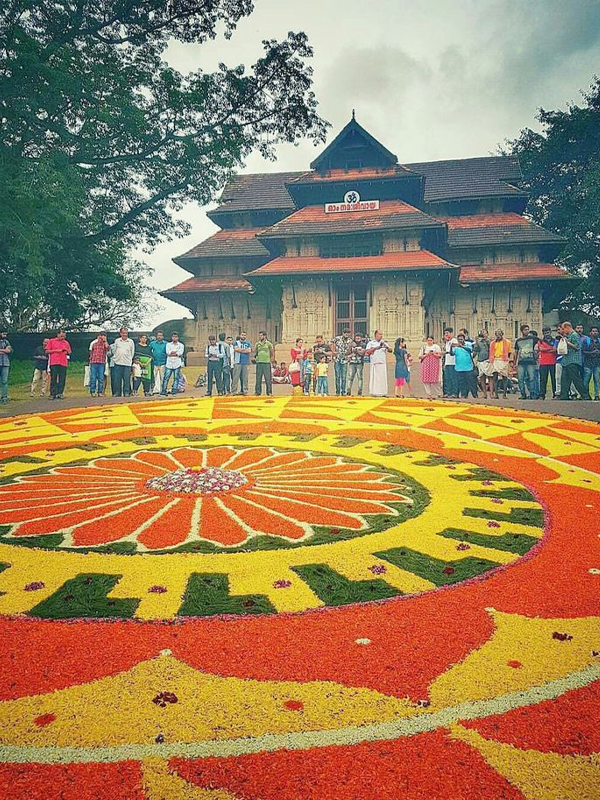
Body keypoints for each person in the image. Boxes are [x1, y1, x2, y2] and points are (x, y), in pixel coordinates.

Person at [558, 321, 590, 400]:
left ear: (567, 327)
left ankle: (585, 395)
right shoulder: (568, 336)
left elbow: (577, 347)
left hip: (573, 361)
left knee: (576, 379)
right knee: (564, 380)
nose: (563, 331)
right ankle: (564, 396)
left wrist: (567, 343)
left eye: (563, 329)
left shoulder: (574, 335)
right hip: (566, 361)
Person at [514, 324, 538, 400]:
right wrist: (515, 363)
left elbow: (541, 343)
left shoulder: (533, 338)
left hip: (531, 361)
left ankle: (532, 394)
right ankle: (523, 394)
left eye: (528, 329)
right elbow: (516, 352)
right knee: (520, 379)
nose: (527, 331)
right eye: (525, 330)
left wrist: (537, 354)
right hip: (521, 362)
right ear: (522, 331)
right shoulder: (518, 341)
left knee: (532, 378)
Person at [46, 329, 71, 400]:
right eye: (61, 336)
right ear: (58, 335)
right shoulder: (51, 341)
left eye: (64, 336)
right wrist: (56, 351)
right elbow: (47, 351)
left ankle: (60, 393)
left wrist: (66, 351)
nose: (63, 337)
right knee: (53, 378)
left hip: (63, 362)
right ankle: (52, 393)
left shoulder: (66, 342)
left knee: (62, 378)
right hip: (54, 362)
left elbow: (69, 351)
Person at [365, 330, 391, 397]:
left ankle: (383, 393)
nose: (381, 336)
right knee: (375, 379)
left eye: (382, 334)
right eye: (379, 334)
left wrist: (386, 347)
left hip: (382, 363)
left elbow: (390, 350)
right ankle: (374, 393)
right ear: (375, 335)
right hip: (374, 363)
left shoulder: (384, 343)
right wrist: (376, 348)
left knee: (382, 379)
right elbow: (367, 352)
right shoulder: (371, 343)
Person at [452, 333, 478, 398]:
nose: (460, 340)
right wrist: (451, 347)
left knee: (471, 382)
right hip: (459, 367)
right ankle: (464, 395)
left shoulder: (468, 344)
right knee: (462, 383)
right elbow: (452, 353)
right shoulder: (456, 347)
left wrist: (462, 346)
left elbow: (470, 350)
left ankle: (475, 395)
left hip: (468, 367)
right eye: (459, 339)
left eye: (461, 339)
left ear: (464, 339)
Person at [112, 327, 135, 397]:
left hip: (127, 363)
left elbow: (132, 352)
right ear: (120, 333)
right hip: (118, 362)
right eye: (123, 333)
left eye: (126, 333)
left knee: (126, 379)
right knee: (117, 379)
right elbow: (114, 351)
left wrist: (129, 359)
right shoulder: (117, 341)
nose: (125, 334)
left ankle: (126, 392)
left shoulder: (131, 341)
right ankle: (117, 392)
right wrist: (116, 358)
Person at [162, 331, 185, 396]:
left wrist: (173, 353)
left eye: (176, 337)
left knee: (176, 378)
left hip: (177, 363)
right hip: (169, 363)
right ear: (171, 337)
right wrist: (175, 353)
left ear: (178, 338)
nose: (174, 338)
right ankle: (164, 390)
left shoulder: (181, 345)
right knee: (166, 377)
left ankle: (174, 391)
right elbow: (168, 352)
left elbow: (180, 353)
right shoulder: (168, 344)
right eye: (173, 337)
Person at [490, 330, 512, 398]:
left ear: (502, 334)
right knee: (495, 377)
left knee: (505, 377)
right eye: (497, 334)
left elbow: (509, 352)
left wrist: (507, 360)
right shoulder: (492, 343)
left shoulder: (507, 342)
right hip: (495, 360)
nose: (498, 335)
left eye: (499, 334)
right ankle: (496, 394)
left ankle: (504, 395)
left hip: (503, 360)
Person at [538, 327, 558, 400]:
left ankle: (555, 394)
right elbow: (541, 349)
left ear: (550, 332)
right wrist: (551, 349)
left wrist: (546, 350)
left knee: (554, 379)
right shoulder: (540, 341)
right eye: (545, 333)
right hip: (543, 362)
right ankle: (542, 395)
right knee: (543, 379)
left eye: (548, 332)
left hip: (553, 362)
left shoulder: (555, 341)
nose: (547, 334)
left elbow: (555, 350)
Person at [332, 327, 353, 396]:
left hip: (344, 360)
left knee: (344, 377)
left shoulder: (350, 340)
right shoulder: (337, 338)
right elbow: (330, 343)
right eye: (345, 333)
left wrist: (349, 355)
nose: (346, 334)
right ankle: (337, 392)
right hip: (337, 359)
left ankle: (343, 392)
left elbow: (351, 350)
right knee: (337, 376)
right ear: (343, 333)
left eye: (348, 333)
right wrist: (333, 351)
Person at [88, 332, 110, 397]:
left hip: (101, 363)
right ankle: (92, 391)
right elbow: (91, 352)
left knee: (101, 378)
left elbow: (108, 348)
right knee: (93, 377)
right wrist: (90, 360)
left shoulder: (104, 344)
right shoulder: (93, 344)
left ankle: (100, 392)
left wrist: (105, 341)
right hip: (93, 362)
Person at [254, 330, 275, 396]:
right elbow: (256, 352)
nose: (260, 337)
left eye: (261, 335)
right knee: (258, 378)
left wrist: (271, 361)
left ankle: (269, 392)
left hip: (266, 363)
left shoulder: (269, 344)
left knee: (268, 378)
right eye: (259, 335)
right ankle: (257, 392)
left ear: (265, 336)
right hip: (259, 362)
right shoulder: (257, 344)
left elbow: (271, 353)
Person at [582, 326, 600, 401]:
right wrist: (592, 352)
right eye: (593, 331)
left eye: (596, 331)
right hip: (588, 363)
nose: (594, 332)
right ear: (590, 333)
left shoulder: (599, 341)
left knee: (597, 380)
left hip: (597, 364)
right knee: (586, 380)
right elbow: (583, 351)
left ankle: (597, 395)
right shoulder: (586, 341)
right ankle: (585, 395)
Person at [473, 331, 493, 398]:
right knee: (482, 377)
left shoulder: (490, 342)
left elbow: (492, 350)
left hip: (488, 361)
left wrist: (487, 341)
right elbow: (476, 350)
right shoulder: (479, 342)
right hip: (480, 361)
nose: (483, 334)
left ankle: (491, 393)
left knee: (490, 377)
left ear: (487, 334)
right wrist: (476, 341)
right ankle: (484, 393)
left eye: (485, 333)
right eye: (482, 333)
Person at [233, 331, 252, 395]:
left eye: (244, 335)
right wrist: (244, 350)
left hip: (245, 362)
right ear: (240, 335)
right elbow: (236, 349)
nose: (243, 336)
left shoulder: (248, 343)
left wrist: (240, 350)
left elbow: (249, 351)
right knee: (236, 377)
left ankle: (245, 390)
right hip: (237, 362)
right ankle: (234, 390)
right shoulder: (236, 342)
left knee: (245, 378)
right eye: (242, 335)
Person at [442, 327, 458, 398]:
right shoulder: (447, 342)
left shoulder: (454, 341)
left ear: (451, 333)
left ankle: (455, 393)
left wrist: (445, 352)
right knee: (447, 379)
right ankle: (448, 393)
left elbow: (454, 349)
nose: (446, 335)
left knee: (453, 378)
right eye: (445, 333)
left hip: (453, 362)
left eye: (447, 333)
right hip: (447, 362)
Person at [150, 330, 167, 395]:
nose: (159, 337)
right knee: (153, 378)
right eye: (158, 335)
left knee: (163, 378)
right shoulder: (152, 343)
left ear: (163, 336)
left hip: (163, 363)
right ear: (156, 336)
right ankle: (152, 391)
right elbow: (149, 351)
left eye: (161, 335)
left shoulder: (166, 344)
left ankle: (163, 391)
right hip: (154, 363)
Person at [0, 330, 13, 404]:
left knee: (4, 381)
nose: (5, 335)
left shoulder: (6, 342)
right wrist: (4, 350)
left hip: (5, 363)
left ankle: (4, 397)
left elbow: (9, 351)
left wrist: (3, 351)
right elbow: (6, 350)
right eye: (3, 333)